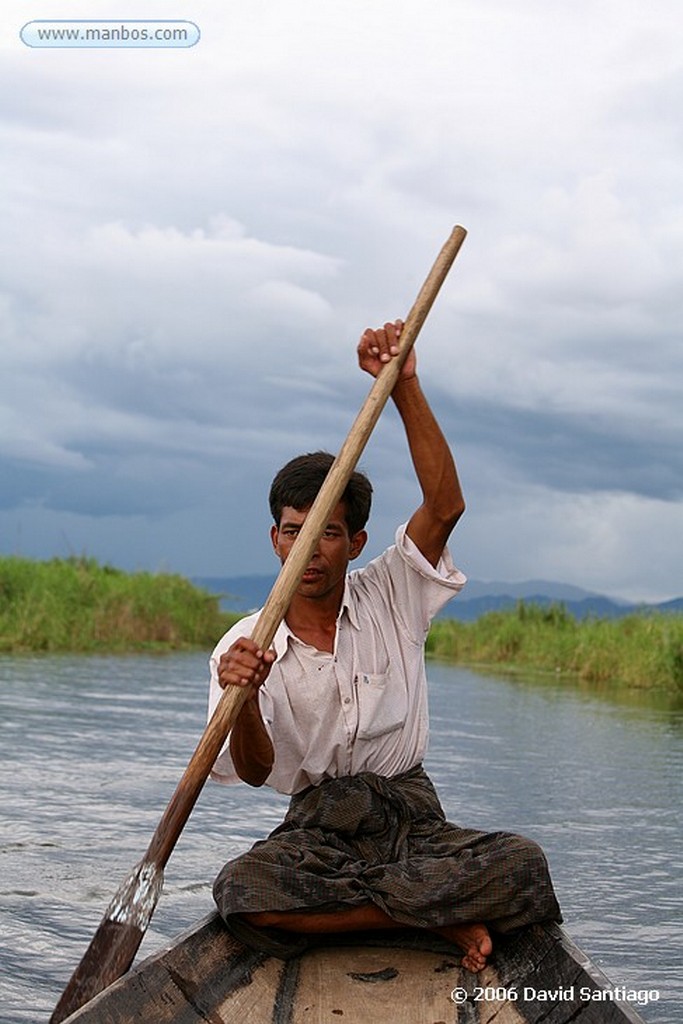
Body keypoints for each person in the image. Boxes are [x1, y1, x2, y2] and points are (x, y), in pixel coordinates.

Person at [207, 320, 561, 972]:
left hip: (411, 815)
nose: (307, 551)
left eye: (327, 534)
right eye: (293, 532)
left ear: (356, 542)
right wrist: (246, 697)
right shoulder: (243, 645)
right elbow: (255, 771)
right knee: (242, 892)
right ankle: (430, 917)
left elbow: (446, 504)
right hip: (318, 828)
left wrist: (402, 386)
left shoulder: (392, 591)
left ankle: (388, 908)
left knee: (522, 865)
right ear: (274, 538)